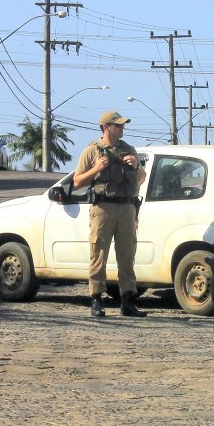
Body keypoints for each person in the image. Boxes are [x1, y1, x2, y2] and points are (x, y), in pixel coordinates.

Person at [73, 110, 148, 318]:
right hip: (103, 208)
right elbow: (77, 182)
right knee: (99, 254)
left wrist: (136, 166)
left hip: (127, 207)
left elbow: (141, 178)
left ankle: (128, 301)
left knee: (127, 255)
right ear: (106, 127)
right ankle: (96, 299)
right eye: (118, 125)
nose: (123, 128)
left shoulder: (129, 149)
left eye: (123, 125)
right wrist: (95, 169)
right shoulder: (92, 151)